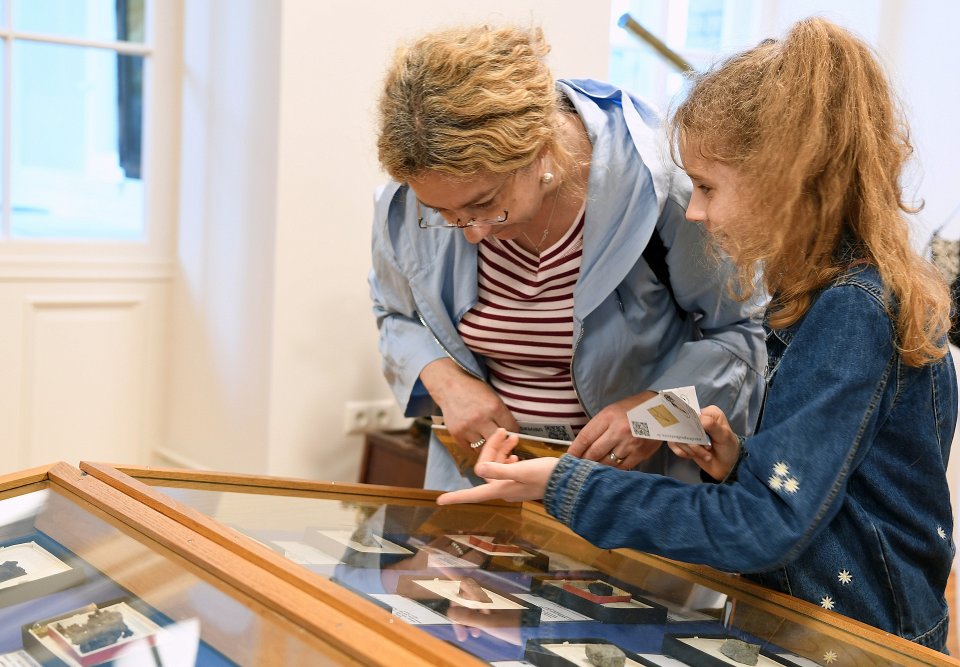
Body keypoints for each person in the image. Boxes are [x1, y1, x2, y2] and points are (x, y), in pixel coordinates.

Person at [438, 18, 958, 651]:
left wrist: (568, 485)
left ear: (786, 180)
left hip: (858, 637)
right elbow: (823, 481)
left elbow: (765, 524)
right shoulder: (832, 294)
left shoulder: (851, 310)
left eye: (708, 187)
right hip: (819, 619)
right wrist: (739, 461)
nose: (695, 211)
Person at [369, 24, 767, 491]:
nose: (472, 233)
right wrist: (444, 382)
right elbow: (395, 314)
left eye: (484, 203)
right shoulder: (409, 201)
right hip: (484, 483)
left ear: (541, 150)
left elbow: (745, 336)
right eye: (442, 213)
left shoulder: (663, 193)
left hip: (629, 496)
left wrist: (653, 415)